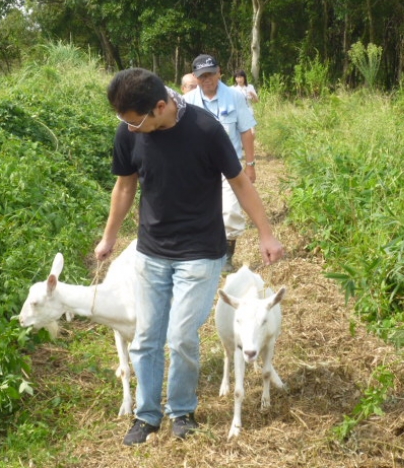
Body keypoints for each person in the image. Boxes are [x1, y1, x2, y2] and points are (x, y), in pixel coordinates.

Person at [95, 68, 283, 446]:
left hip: (200, 252)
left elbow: (240, 183)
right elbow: (124, 186)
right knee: (146, 336)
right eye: (125, 122)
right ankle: (146, 416)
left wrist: (266, 231)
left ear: (161, 107)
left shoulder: (205, 130)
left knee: (180, 336)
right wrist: (109, 237)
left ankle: (181, 411)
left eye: (136, 122)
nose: (129, 129)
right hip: (151, 251)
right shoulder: (128, 131)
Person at [184, 54, 257, 272]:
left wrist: (250, 164)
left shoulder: (235, 97)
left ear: (219, 72)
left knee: (230, 210)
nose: (207, 79)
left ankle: (227, 254)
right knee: (199, 211)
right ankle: (200, 252)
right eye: (202, 76)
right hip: (197, 167)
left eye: (211, 74)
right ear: (196, 78)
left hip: (229, 165)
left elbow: (246, 131)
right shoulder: (186, 102)